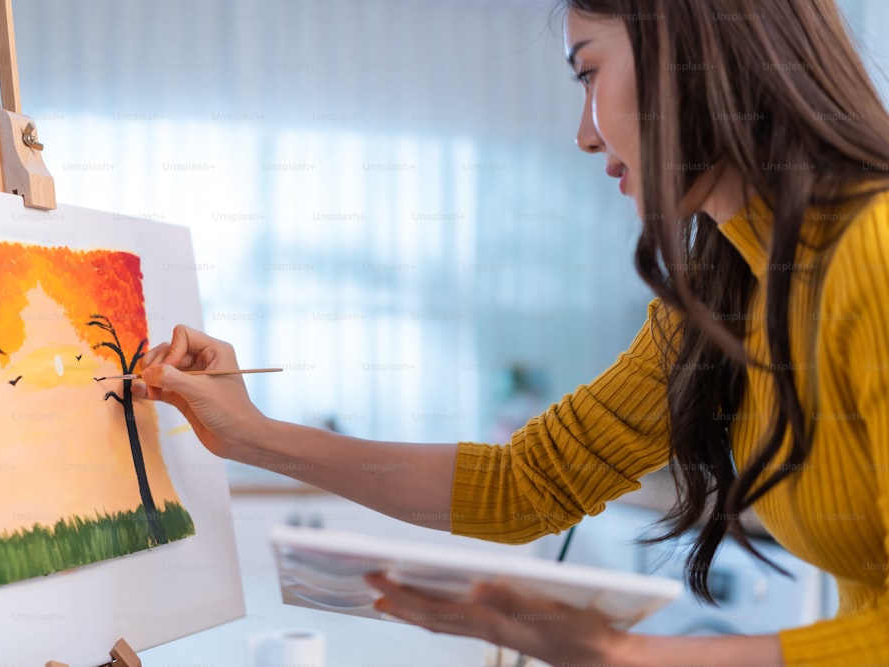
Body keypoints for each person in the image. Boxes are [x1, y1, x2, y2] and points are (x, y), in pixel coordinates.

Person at [134, 0, 889, 663]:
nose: (585, 135)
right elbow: (530, 483)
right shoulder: (723, 293)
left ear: (694, 49)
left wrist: (627, 658)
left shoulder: (875, 254)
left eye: (588, 73)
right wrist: (247, 435)